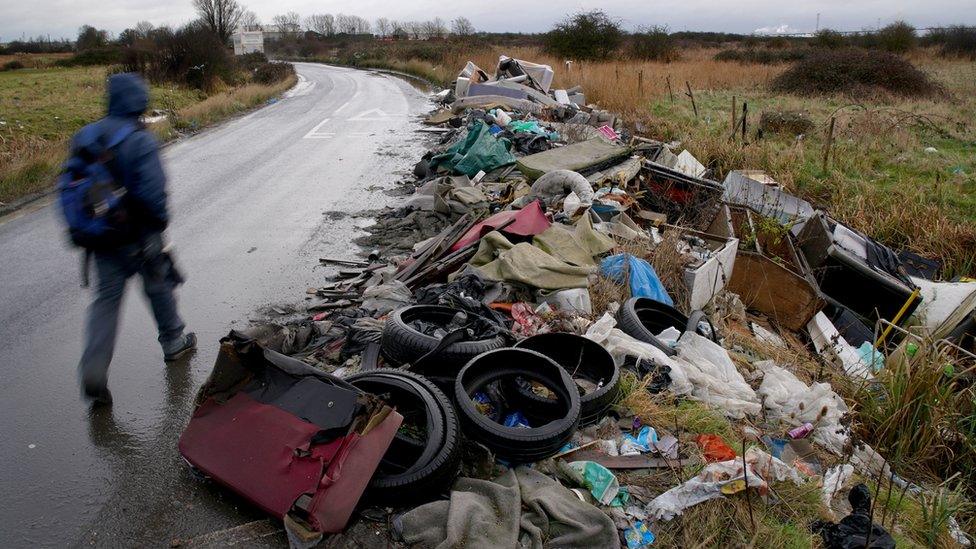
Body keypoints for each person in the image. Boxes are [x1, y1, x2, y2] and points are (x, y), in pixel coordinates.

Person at [71, 73, 195, 406]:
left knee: (106, 302)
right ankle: (173, 342)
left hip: (101, 240)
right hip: (139, 234)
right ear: (139, 100)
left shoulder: (86, 135)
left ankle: (94, 370)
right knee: (158, 285)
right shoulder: (140, 139)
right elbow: (153, 194)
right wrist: (158, 225)